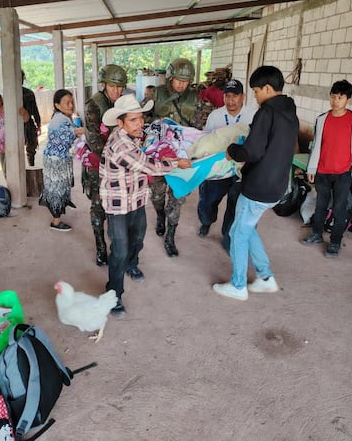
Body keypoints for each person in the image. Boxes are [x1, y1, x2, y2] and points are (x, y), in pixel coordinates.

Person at [99, 94, 191, 315]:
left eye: (141, 118)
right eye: (133, 120)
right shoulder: (119, 144)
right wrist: (177, 162)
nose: (140, 123)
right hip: (118, 205)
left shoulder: (135, 135)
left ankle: (132, 264)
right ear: (119, 122)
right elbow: (148, 166)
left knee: (138, 238)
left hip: (137, 199)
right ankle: (114, 294)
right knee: (119, 250)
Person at [213, 65, 299, 301]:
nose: (257, 97)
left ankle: (238, 285)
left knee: (238, 233)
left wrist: (233, 150)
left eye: (257, 91)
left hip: (258, 186)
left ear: (268, 88)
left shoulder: (267, 112)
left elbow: (252, 151)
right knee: (247, 228)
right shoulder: (290, 111)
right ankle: (265, 277)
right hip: (277, 185)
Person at [300, 80, 352, 257]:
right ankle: (317, 234)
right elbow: (317, 145)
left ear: (348, 99)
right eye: (333, 97)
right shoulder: (322, 119)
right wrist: (312, 168)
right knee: (321, 205)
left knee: (340, 208)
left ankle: (334, 242)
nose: (335, 101)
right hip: (322, 171)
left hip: (343, 172)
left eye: (340, 97)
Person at [151, 57, 203, 257]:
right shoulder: (156, 94)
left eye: (186, 80)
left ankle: (170, 236)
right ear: (170, 77)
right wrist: (160, 126)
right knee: (156, 195)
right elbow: (142, 120)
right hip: (159, 153)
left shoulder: (196, 99)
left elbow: (198, 128)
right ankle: (159, 216)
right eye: (178, 79)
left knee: (177, 196)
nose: (182, 84)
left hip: (182, 156)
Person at [197, 79, 256, 240]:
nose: (230, 100)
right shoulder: (215, 116)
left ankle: (227, 234)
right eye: (227, 96)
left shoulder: (252, 116)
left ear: (242, 96)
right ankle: (206, 221)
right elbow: (206, 140)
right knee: (208, 199)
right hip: (217, 168)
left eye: (234, 96)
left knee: (235, 202)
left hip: (241, 169)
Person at [82, 64, 127, 265]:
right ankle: (100, 247)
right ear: (103, 84)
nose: (117, 91)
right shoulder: (94, 104)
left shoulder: (124, 102)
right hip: (98, 164)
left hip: (119, 163)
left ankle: (118, 245)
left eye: (120, 86)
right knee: (98, 207)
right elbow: (93, 140)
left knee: (118, 206)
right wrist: (117, 155)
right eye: (112, 86)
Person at [40, 89, 84, 231]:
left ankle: (59, 209)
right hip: (55, 161)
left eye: (72, 102)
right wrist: (87, 130)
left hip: (58, 159)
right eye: (67, 103)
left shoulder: (63, 117)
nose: (71, 105)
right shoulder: (60, 119)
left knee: (58, 188)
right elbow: (72, 133)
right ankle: (56, 222)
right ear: (57, 105)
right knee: (57, 190)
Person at [22, 70, 41, 167]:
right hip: (16, 125)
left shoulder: (28, 93)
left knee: (31, 148)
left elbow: (35, 110)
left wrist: (38, 124)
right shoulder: (9, 94)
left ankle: (31, 165)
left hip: (28, 124)